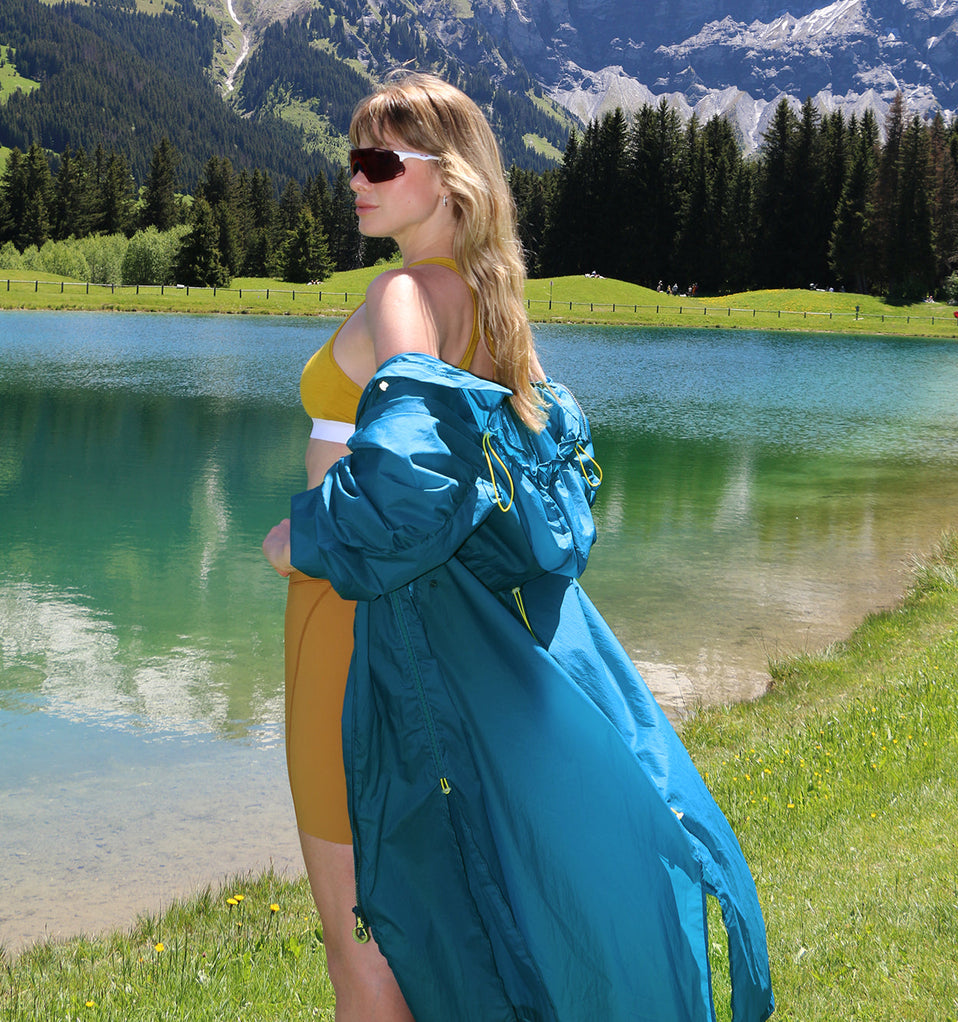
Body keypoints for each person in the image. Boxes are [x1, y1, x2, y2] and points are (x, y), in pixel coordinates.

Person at [264, 71, 774, 1022]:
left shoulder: (404, 291)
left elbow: (415, 475)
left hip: (347, 615)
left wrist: (308, 538)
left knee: (362, 946)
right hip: (430, 625)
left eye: (380, 161)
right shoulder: (491, 306)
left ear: (450, 177)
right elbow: (525, 487)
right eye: (352, 159)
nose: (355, 178)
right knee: (426, 915)